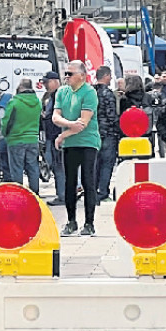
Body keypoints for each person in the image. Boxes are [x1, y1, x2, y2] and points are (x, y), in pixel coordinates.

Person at [53, 60, 100, 237]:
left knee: (88, 181)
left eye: (70, 74)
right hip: (70, 145)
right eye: (66, 73)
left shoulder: (89, 92)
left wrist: (62, 135)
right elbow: (55, 117)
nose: (66, 77)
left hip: (88, 142)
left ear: (82, 75)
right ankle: (71, 221)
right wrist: (69, 124)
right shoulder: (62, 91)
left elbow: (84, 123)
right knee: (69, 183)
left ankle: (89, 223)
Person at [3, 78, 43, 195]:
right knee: (33, 167)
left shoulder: (14, 102)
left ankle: (18, 194)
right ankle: (35, 193)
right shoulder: (38, 102)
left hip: (16, 139)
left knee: (17, 169)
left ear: (20, 88)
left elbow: (6, 122)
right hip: (32, 139)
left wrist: (5, 134)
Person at [94, 67, 123, 203]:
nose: (111, 79)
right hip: (108, 134)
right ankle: (103, 192)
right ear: (105, 76)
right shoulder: (108, 94)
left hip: (94, 134)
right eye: (110, 76)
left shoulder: (91, 92)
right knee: (106, 164)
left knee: (95, 164)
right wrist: (119, 130)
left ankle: (93, 191)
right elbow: (111, 115)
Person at [40, 72, 65, 206]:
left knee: (59, 166)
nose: (44, 86)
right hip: (52, 136)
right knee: (56, 166)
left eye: (46, 82)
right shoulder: (51, 96)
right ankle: (61, 194)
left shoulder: (59, 96)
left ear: (55, 81)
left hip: (57, 137)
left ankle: (62, 195)